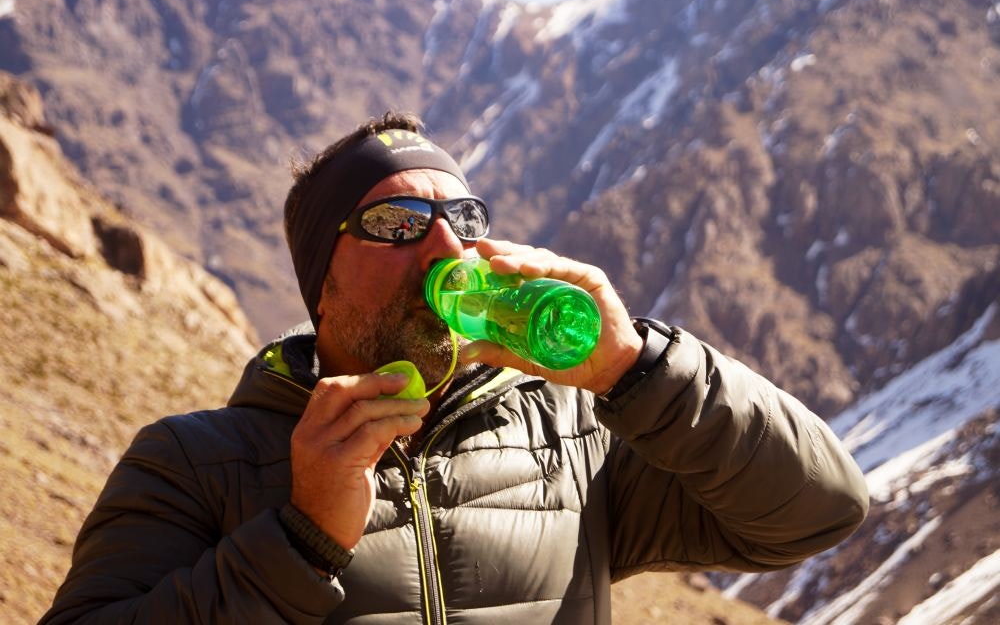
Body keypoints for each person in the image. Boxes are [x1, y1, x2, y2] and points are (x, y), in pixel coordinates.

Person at [42, 112, 869, 624]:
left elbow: (819, 511)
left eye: (462, 217)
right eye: (398, 222)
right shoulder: (192, 462)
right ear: (321, 284)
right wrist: (299, 542)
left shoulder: (572, 443)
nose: (446, 246)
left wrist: (637, 368)